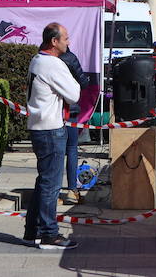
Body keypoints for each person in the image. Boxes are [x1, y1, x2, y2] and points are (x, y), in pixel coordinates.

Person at [24, 22, 81, 250]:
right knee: (51, 184)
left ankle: (32, 231)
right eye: (65, 38)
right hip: (51, 129)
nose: (69, 42)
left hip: (39, 127)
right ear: (54, 41)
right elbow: (74, 94)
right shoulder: (52, 64)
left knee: (43, 181)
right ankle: (49, 234)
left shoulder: (37, 60)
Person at [56, 43, 93, 205]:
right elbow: (84, 82)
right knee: (71, 149)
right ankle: (72, 190)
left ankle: (54, 193)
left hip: (53, 111)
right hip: (70, 110)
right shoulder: (70, 58)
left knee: (55, 152)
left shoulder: (46, 59)